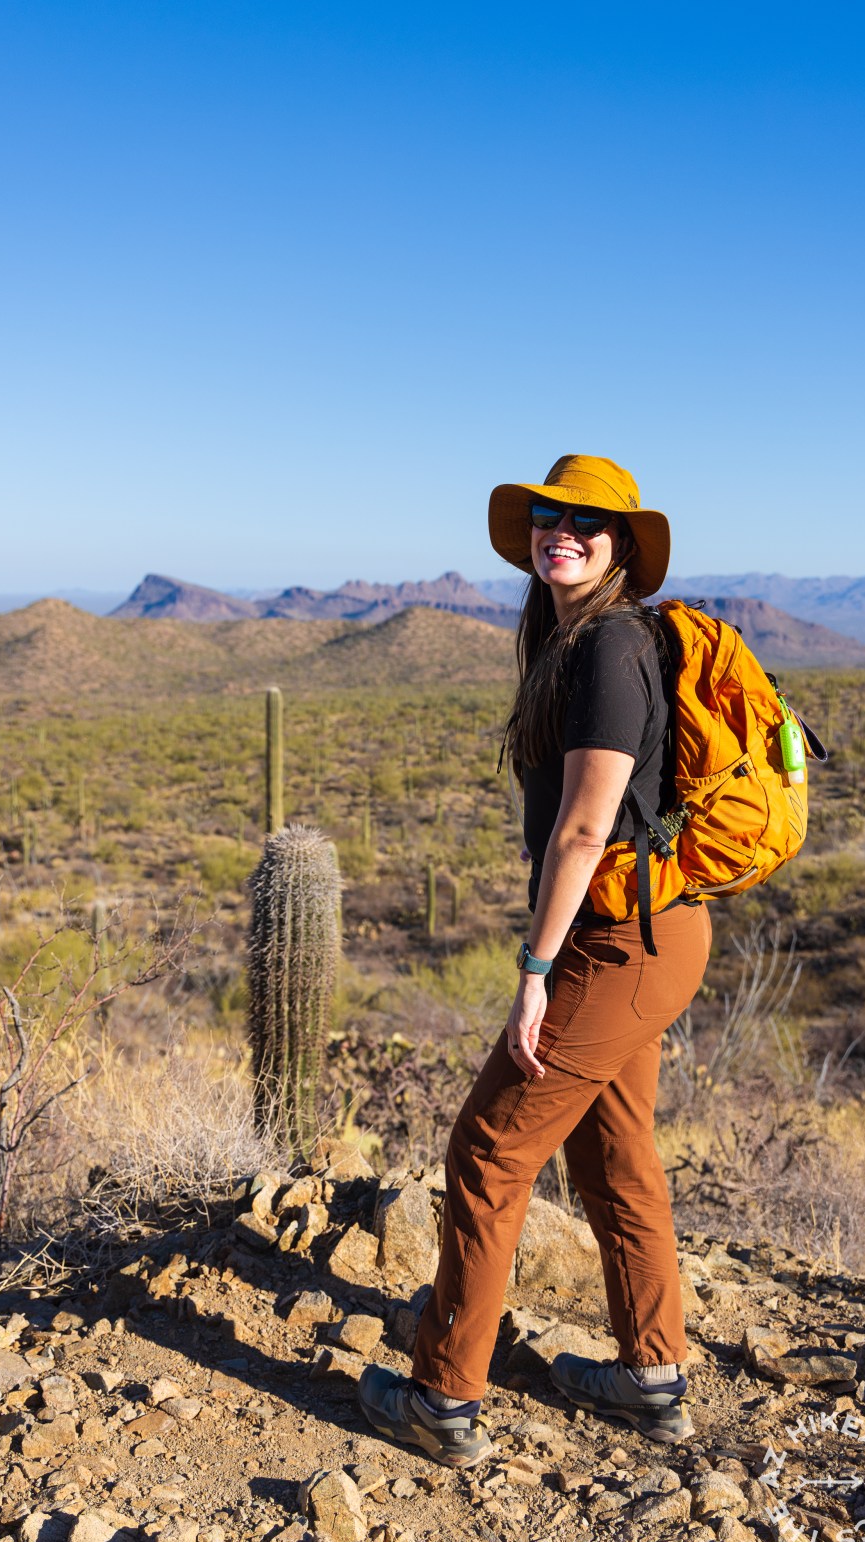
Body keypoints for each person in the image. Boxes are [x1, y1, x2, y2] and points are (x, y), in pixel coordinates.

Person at [358, 455, 713, 1467]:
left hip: (615, 943)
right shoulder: (572, 639)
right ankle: (651, 1377)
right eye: (547, 515)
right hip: (643, 934)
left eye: (586, 522)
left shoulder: (607, 646)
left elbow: (583, 826)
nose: (560, 529)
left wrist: (532, 967)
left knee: (488, 1148)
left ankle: (439, 1397)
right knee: (611, 1155)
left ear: (621, 547)